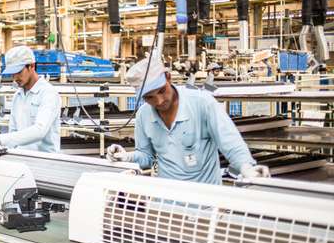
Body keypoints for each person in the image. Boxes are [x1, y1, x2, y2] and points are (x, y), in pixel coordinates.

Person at [107, 56, 269, 184]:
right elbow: (146, 157)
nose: (159, 101)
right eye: (149, 97)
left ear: (168, 78)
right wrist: (126, 157)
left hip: (206, 203)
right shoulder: (144, 115)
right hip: (167, 205)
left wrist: (246, 167)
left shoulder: (202, 103)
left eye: (162, 91)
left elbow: (229, 141)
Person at [0, 46, 60, 155]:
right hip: (21, 158)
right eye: (12, 73)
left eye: (18, 72)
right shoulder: (17, 96)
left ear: (31, 66)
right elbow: (13, 131)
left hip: (45, 160)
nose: (15, 78)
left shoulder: (48, 93)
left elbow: (39, 131)